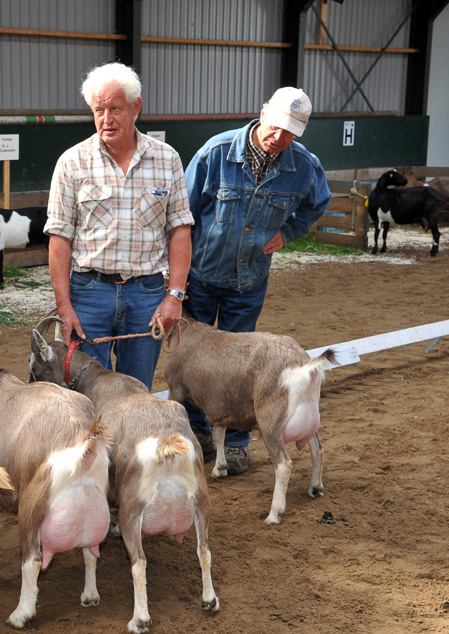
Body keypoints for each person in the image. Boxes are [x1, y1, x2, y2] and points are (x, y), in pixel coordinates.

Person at [183, 87, 331, 475]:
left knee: (244, 369)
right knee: (193, 361)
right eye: (277, 125)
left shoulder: (304, 167)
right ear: (263, 111)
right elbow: (181, 212)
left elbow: (319, 202)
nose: (280, 137)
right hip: (200, 273)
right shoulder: (215, 154)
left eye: (290, 132)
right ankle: (197, 432)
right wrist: (175, 269)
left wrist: (290, 231)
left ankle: (235, 443)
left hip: (248, 281)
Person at [44, 62, 193, 391]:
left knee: (137, 391)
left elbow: (180, 230)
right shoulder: (72, 162)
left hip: (147, 296)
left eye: (115, 108)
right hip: (89, 294)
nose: (106, 119)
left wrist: (175, 297)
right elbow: (59, 239)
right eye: (99, 110)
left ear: (136, 107)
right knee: (86, 388)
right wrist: (65, 306)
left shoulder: (167, 160)